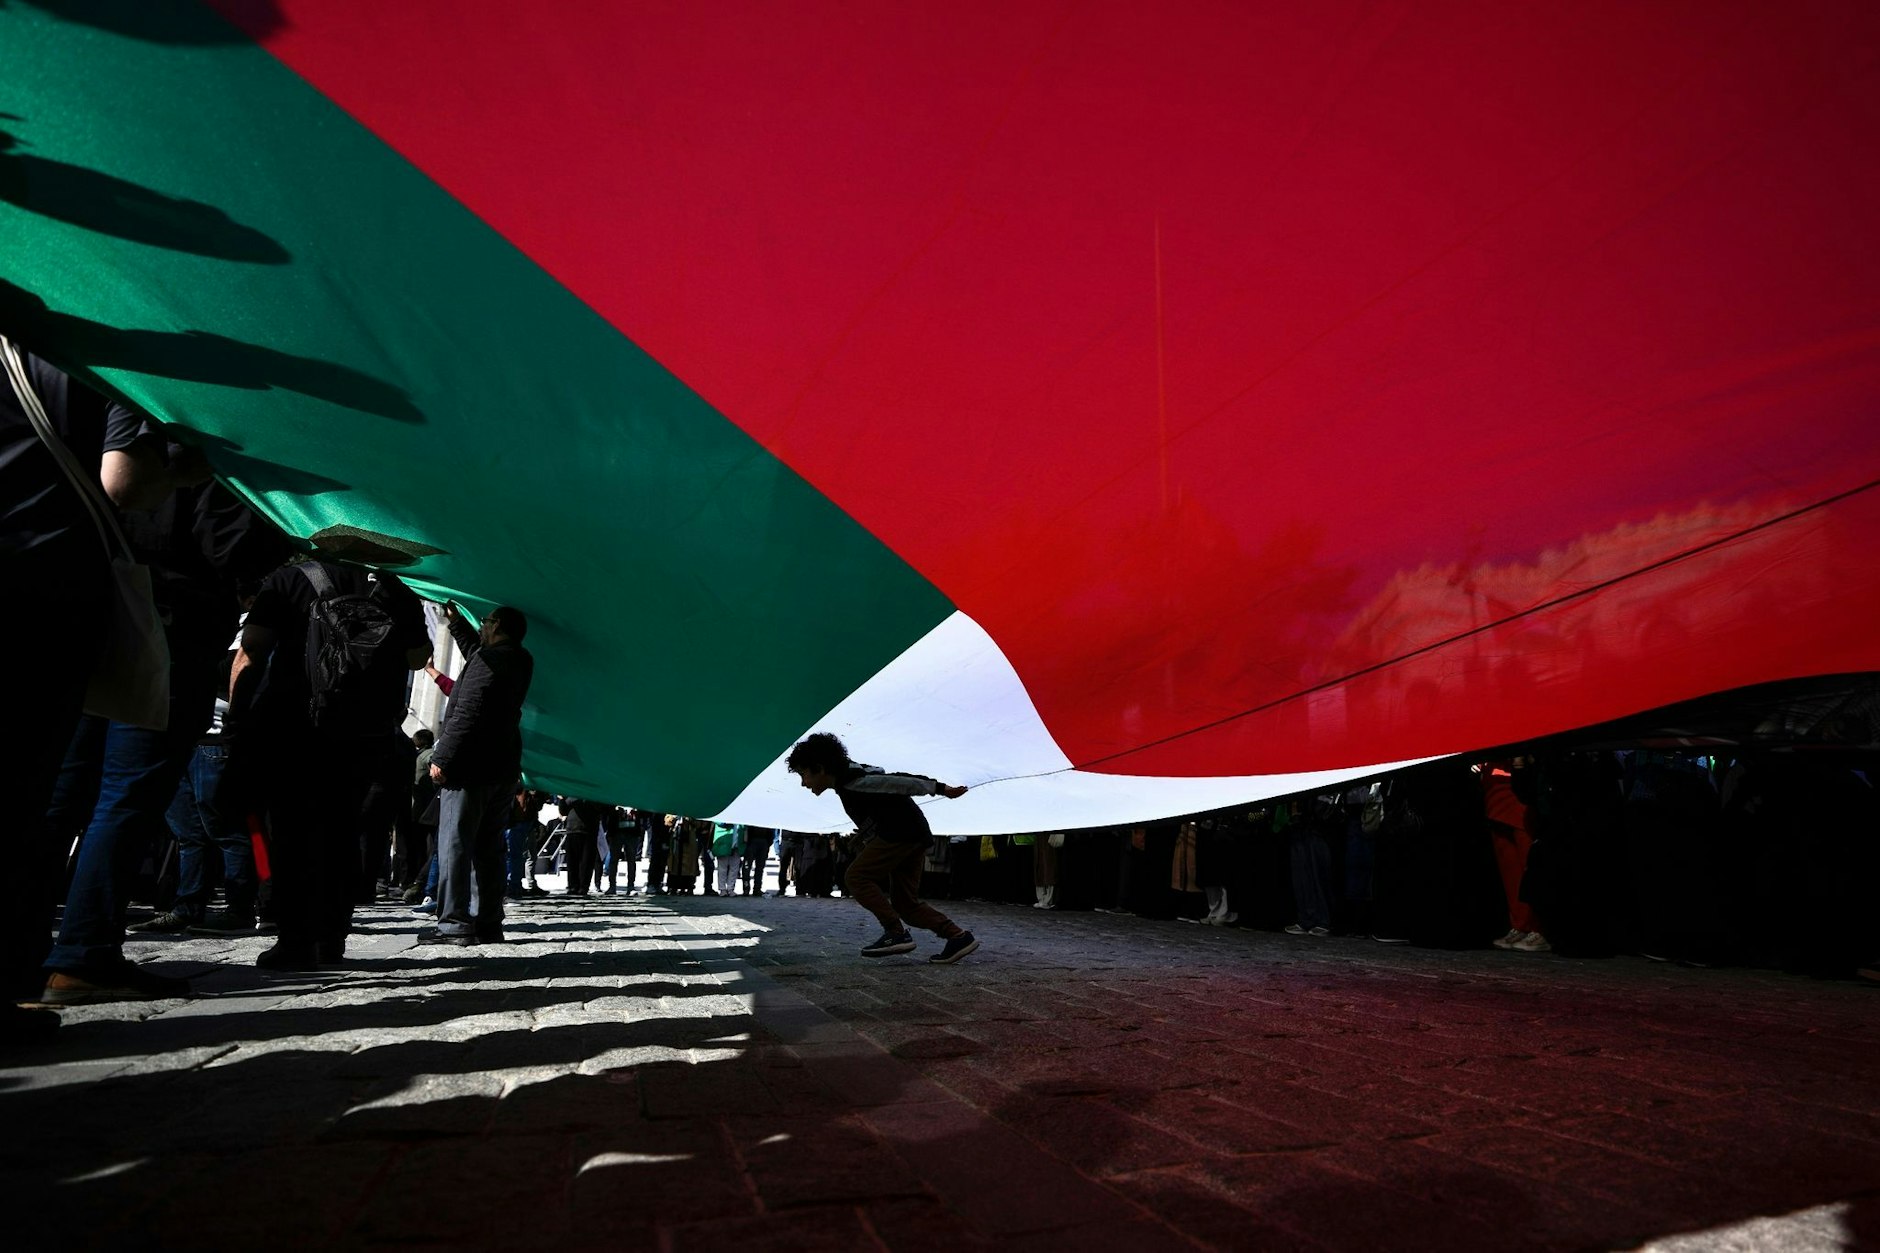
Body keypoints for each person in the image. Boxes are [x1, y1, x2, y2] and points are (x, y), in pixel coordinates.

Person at [229, 557, 430, 969]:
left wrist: (237, 719)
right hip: (364, 731)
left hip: (295, 725)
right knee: (342, 835)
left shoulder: (287, 579)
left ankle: (295, 940)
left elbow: (251, 652)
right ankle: (332, 937)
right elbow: (417, 658)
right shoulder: (395, 588)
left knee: (290, 833)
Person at [785, 732, 977, 963]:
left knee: (856, 877)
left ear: (820, 768)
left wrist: (940, 788)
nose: (804, 783)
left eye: (803, 774)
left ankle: (896, 933)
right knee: (906, 904)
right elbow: (879, 811)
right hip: (910, 834)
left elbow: (899, 782)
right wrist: (862, 837)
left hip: (900, 834)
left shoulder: (855, 781)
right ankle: (957, 936)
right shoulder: (849, 781)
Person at [421, 605, 533, 946]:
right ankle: (489, 922)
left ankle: (453, 922)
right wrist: (456, 625)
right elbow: (478, 657)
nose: (481, 627)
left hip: (471, 767)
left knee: (455, 844)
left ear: (496, 625)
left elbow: (468, 709)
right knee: (490, 849)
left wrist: (442, 756)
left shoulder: (491, 662)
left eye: (485, 622)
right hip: (503, 768)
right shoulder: (518, 659)